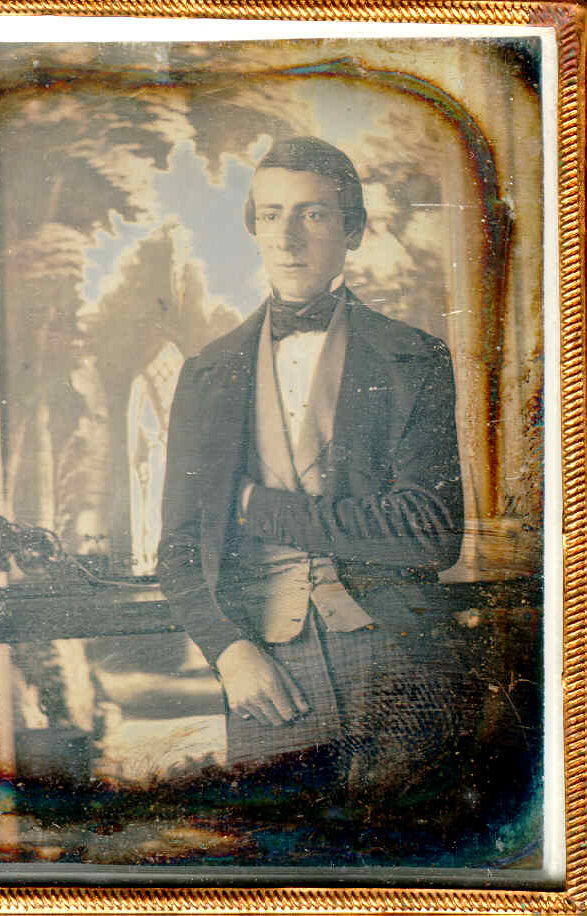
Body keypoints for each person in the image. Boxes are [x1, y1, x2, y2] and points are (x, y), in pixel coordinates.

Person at [156, 136, 465, 803]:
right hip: (267, 675)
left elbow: (431, 533)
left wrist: (255, 508)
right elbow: (178, 550)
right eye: (271, 215)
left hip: (397, 665)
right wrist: (228, 651)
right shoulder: (207, 373)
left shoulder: (413, 358)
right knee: (280, 855)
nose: (287, 237)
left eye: (313, 214)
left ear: (352, 229)